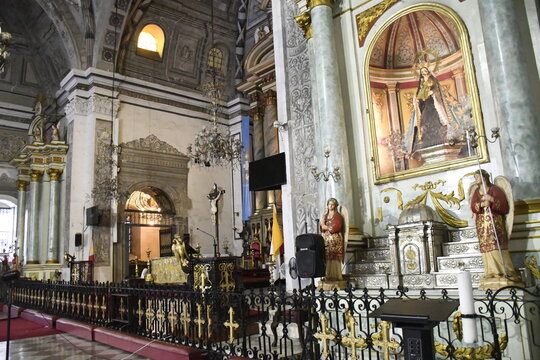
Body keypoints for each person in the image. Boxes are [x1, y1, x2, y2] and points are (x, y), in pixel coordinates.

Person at [470, 170, 522, 289]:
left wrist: (492, 200)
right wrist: (481, 204)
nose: (476, 179)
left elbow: (504, 206)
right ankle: (491, 273)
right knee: (486, 248)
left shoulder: (495, 190)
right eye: (475, 177)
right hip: (482, 226)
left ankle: (505, 272)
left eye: (477, 177)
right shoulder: (477, 192)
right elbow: (473, 206)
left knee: (497, 247)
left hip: (495, 224)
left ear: (484, 177)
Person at [320, 198, 344, 281]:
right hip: (327, 239)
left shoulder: (338, 216)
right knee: (328, 256)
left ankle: (337, 275)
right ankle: (328, 275)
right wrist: (322, 224)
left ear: (335, 206)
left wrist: (326, 227)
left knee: (335, 256)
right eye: (329, 204)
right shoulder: (325, 215)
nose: (330, 206)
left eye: (332, 204)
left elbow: (337, 226)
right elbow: (321, 227)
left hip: (335, 239)